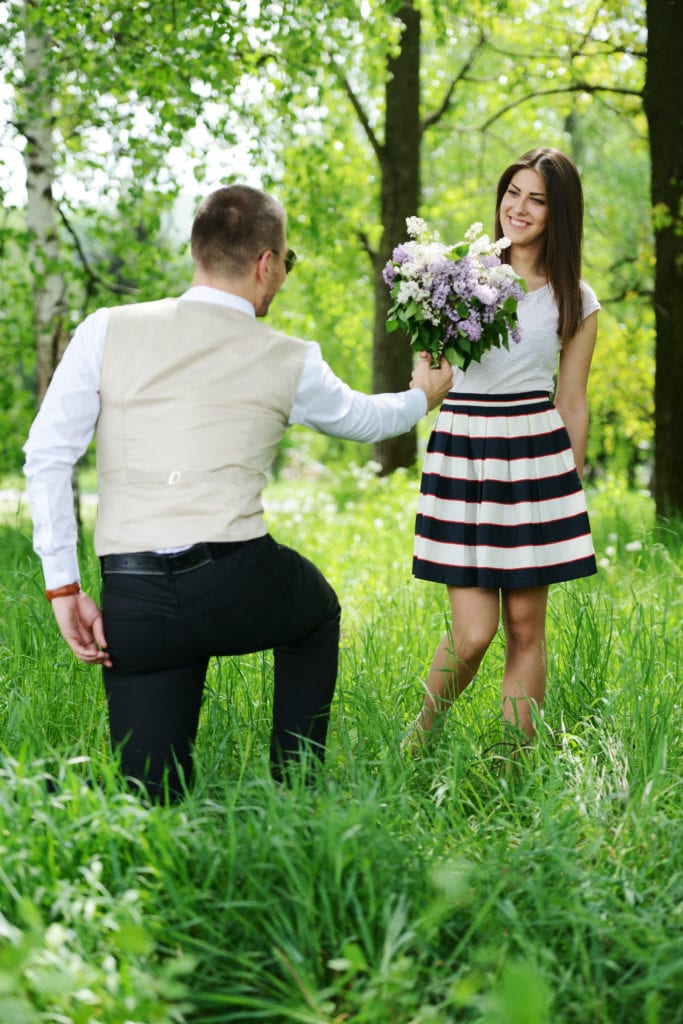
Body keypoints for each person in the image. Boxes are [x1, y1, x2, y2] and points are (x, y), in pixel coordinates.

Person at [23, 184, 453, 800]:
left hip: (133, 595)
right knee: (315, 612)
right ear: (265, 263)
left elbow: (47, 455)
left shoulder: (105, 330)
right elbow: (365, 420)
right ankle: (296, 791)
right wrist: (423, 395)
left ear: (198, 253)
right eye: (285, 262)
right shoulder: (289, 357)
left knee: (151, 800)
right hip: (237, 583)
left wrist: (64, 586)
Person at [407, 147, 599, 752]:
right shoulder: (458, 275)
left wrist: (569, 486)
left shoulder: (576, 300)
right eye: (512, 193)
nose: (519, 208)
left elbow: (571, 402)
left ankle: (513, 770)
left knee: (524, 626)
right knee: (473, 633)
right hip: (464, 451)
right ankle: (415, 742)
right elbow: (427, 377)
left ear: (558, 212)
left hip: (536, 460)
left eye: (537, 199)